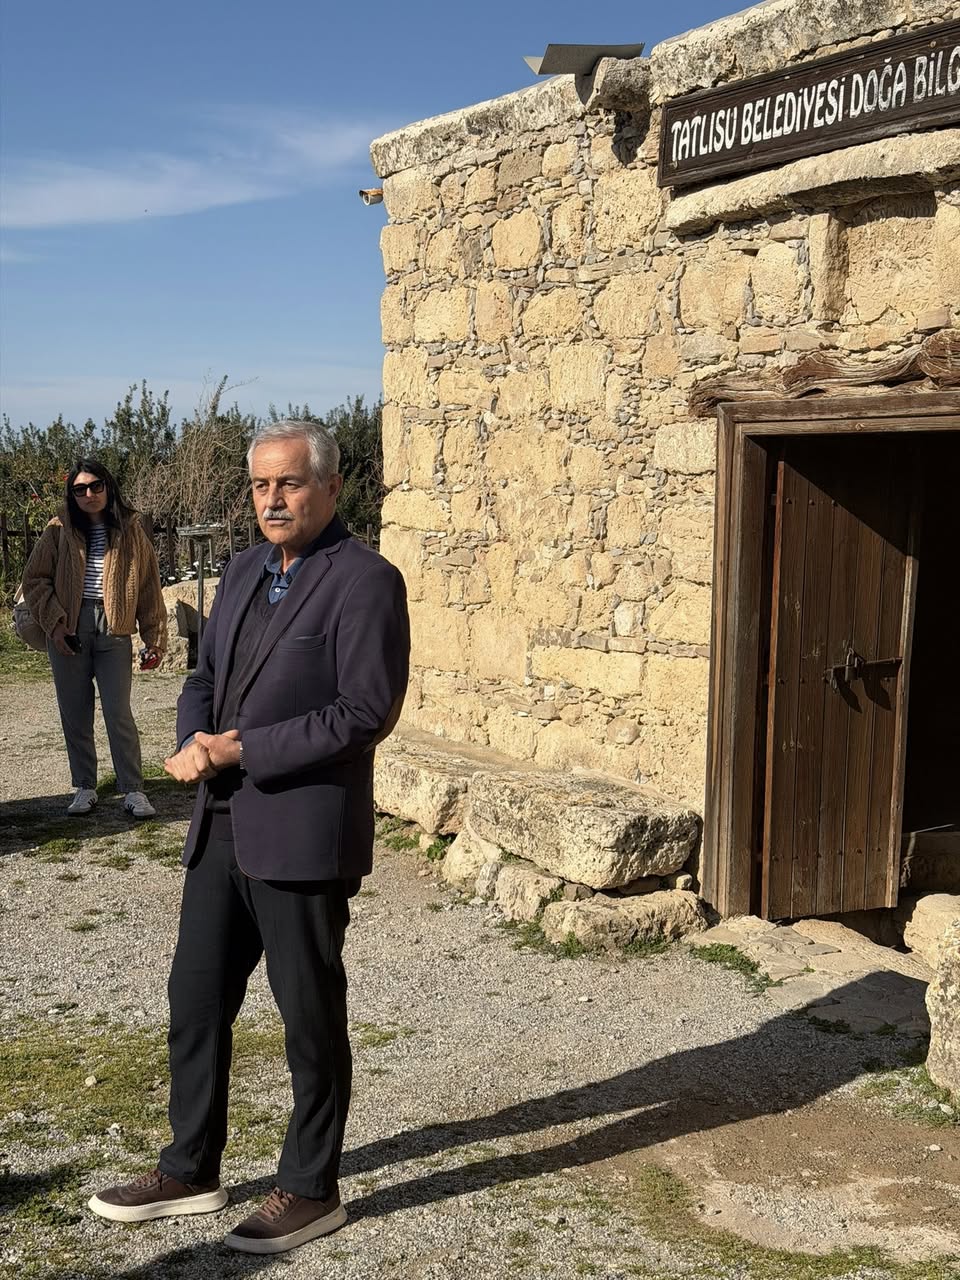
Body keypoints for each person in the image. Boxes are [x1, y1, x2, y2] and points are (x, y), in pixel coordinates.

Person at [87, 420, 410, 1256]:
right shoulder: (239, 571)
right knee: (194, 1003)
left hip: (302, 832)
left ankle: (312, 1186)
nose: (272, 500)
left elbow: (364, 712)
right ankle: (189, 1168)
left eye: (289, 484)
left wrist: (245, 749)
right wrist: (195, 739)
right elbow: (205, 677)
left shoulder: (366, 581)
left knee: (308, 1018)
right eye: (261, 485)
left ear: (331, 488)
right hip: (220, 824)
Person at [22, 459, 166, 818]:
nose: (89, 494)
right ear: (72, 494)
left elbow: (148, 586)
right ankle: (85, 786)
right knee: (75, 712)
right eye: (80, 489)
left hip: (115, 627)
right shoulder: (58, 528)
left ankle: (133, 789)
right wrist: (55, 624)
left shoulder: (130, 528)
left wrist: (154, 638)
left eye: (96, 485)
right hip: (69, 626)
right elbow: (34, 579)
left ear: (108, 486)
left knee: (118, 712)